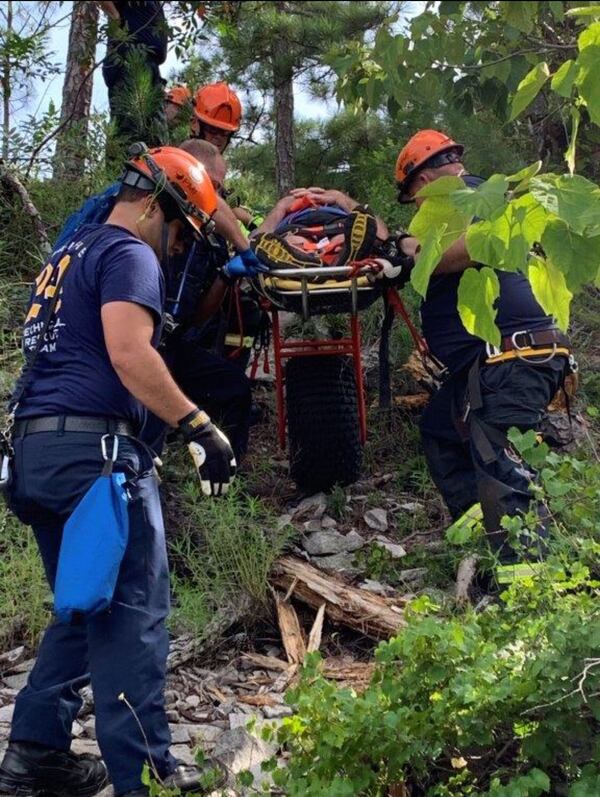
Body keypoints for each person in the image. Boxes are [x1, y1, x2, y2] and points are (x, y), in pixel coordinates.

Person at [0, 147, 236, 797]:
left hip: (37, 456)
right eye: (183, 231)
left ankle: (35, 754)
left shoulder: (66, 256)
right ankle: (149, 777)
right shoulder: (129, 253)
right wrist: (199, 427)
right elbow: (130, 354)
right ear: (157, 206)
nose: (180, 247)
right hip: (95, 461)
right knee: (134, 610)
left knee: (86, 602)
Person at [384, 129, 575, 578]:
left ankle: (524, 589)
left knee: (502, 467)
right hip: (495, 361)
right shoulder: (467, 200)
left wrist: (412, 254)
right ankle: (480, 539)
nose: (416, 207)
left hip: (510, 359)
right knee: (440, 431)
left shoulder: (469, 196)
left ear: (425, 178)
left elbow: (469, 249)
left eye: (413, 196)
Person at [142, 138, 268, 460]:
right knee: (144, 424)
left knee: (235, 388)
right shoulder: (146, 219)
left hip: (172, 343)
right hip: (137, 344)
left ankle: (226, 478)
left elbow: (195, 316)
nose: (217, 196)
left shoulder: (208, 239)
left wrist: (225, 276)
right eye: (213, 186)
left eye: (219, 190)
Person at [191, 82, 264, 233]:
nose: (218, 138)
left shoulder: (219, 181)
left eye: (224, 133)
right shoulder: (180, 165)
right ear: (195, 124)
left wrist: (251, 222)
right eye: (212, 129)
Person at [100, 1, 169, 154]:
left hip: (149, 68)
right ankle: (121, 175)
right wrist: (116, 19)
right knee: (128, 140)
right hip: (131, 64)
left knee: (156, 143)